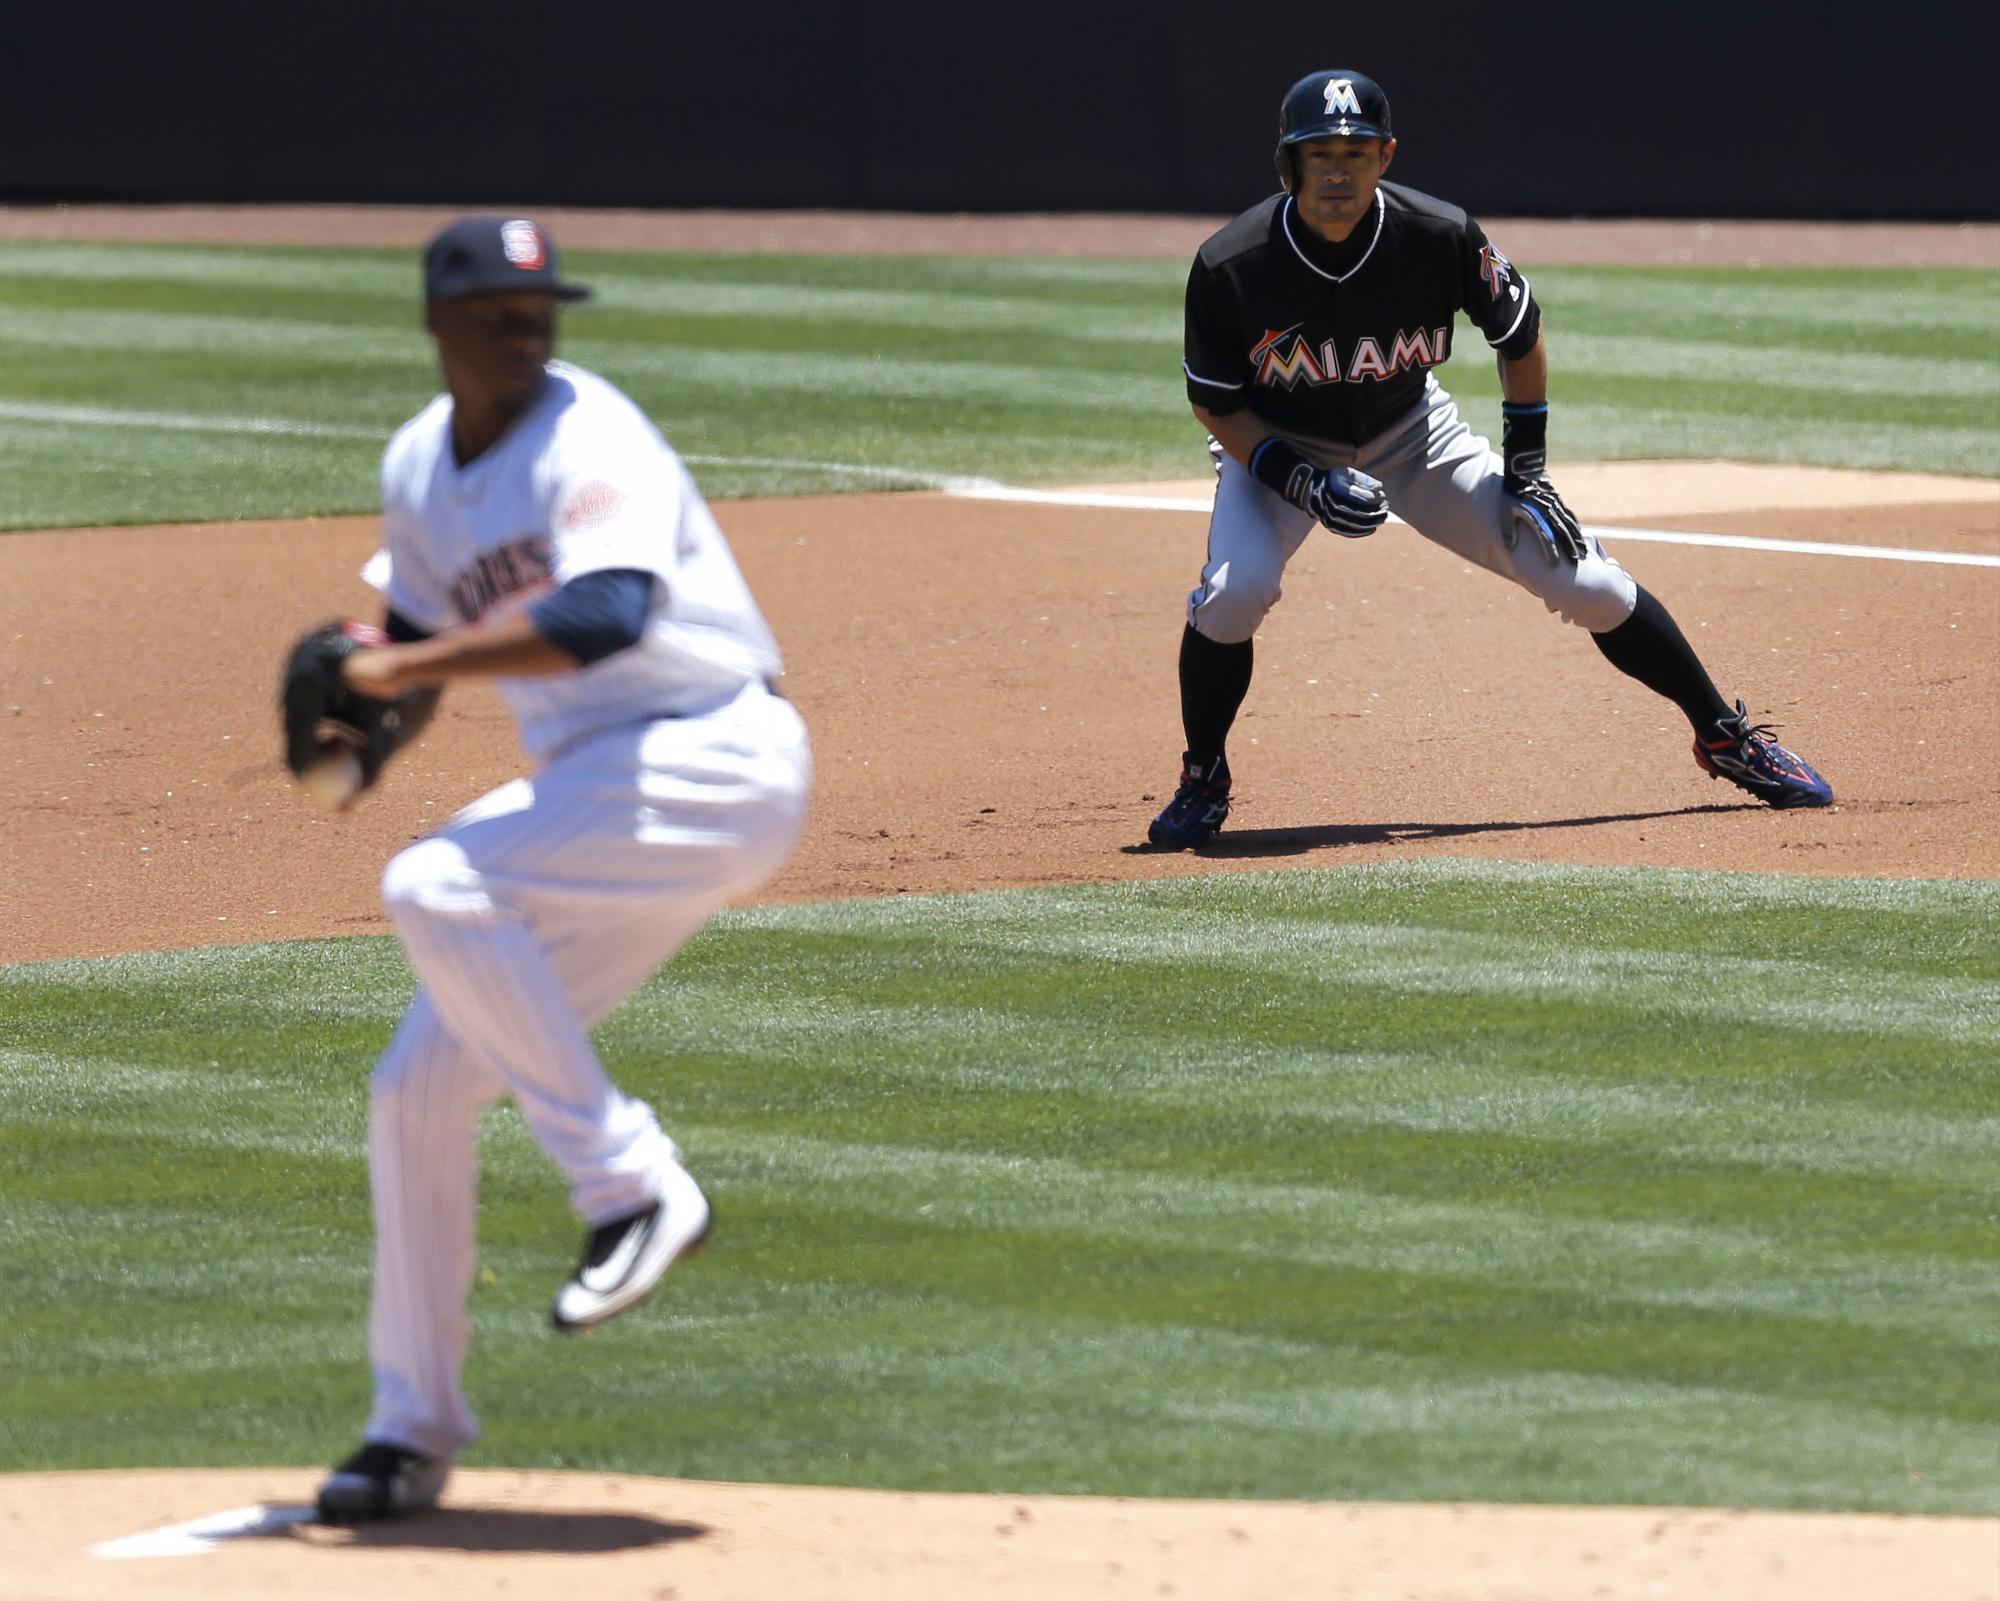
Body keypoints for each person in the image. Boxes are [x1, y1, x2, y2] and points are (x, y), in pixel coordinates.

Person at [309, 217, 812, 1522]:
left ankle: (632, 1184)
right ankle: (409, 1427)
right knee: (415, 1091)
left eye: (540, 307)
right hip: (601, 788)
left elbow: (604, 614)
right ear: (437, 321)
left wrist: (398, 670)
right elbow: (418, 630)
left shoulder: (590, 431)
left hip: (712, 756)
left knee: (434, 885)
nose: (525, 326)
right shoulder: (421, 461)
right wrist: (365, 737)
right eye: (496, 309)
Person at [1149, 69, 1832, 848]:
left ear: (1387, 156)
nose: (1339, 170)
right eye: (1320, 154)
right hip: (1275, 441)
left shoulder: (1438, 235)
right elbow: (1217, 403)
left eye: (1358, 152)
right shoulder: (1232, 263)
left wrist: (1528, 469)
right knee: (1237, 592)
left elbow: (1521, 335)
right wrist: (1296, 478)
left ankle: (1723, 736)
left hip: (1412, 431)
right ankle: (1204, 774)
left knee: (1585, 577)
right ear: (1288, 164)